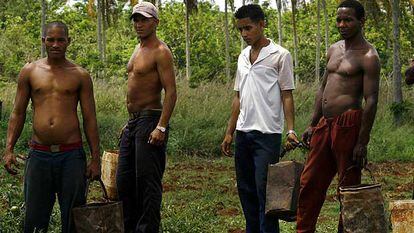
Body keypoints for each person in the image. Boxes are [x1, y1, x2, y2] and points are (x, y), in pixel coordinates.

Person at [2, 21, 101, 233]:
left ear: (68, 42)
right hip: (39, 155)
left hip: (71, 156)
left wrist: (95, 159)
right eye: (51, 40)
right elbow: (18, 113)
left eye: (61, 40)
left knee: (74, 219)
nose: (56, 44)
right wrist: (9, 148)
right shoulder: (30, 71)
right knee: (35, 221)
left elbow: (89, 118)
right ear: (43, 41)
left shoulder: (80, 75)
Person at [296, 0, 380, 232]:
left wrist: (362, 141)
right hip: (325, 124)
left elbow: (371, 100)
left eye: (348, 20)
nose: (342, 24)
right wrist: (313, 123)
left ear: (361, 21)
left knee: (348, 187)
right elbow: (323, 88)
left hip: (348, 124)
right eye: (339, 20)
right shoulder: (334, 49)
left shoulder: (369, 56)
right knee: (309, 181)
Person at [221, 4, 299, 233]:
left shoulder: (280, 55)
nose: (244, 34)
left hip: (268, 134)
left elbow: (287, 95)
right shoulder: (242, 57)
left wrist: (291, 130)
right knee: (246, 190)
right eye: (240, 29)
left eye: (249, 28)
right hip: (243, 133)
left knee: (265, 191)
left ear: (262, 24)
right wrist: (229, 132)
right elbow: (238, 97)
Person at [116, 2, 177, 233]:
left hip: (151, 120)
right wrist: (130, 122)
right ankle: (130, 228)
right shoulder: (137, 48)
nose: (139, 24)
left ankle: (148, 229)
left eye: (144, 19)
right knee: (124, 182)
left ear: (155, 22)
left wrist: (161, 126)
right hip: (134, 122)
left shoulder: (161, 51)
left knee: (147, 183)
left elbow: (171, 92)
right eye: (136, 20)